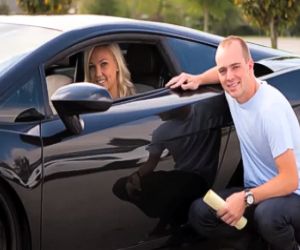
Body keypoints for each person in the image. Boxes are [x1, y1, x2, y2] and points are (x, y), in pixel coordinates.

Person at [166, 36, 300, 250]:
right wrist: (198, 78)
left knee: (268, 217)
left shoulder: (270, 109)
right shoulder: (234, 89)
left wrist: (246, 198)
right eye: (223, 71)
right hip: (257, 192)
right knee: (200, 212)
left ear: (250, 66)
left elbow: (290, 180)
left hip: (292, 197)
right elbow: (223, 71)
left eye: (236, 67)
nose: (229, 77)